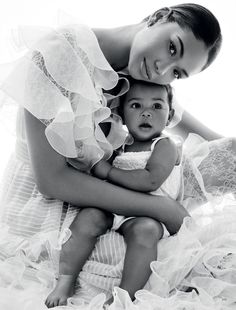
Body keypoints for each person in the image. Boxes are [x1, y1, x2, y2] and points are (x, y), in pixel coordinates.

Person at [0, 2, 234, 309]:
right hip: (55, 208)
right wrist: (163, 208)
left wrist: (223, 144)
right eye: (172, 48)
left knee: (231, 158)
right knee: (167, 249)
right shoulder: (59, 54)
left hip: (112, 187)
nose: (162, 69)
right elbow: (51, 182)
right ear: (159, 17)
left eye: (176, 72)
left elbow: (169, 111)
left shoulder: (138, 66)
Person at [45, 78, 186, 307]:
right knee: (88, 217)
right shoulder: (119, 143)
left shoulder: (164, 145)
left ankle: (125, 295)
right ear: (121, 113)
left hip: (148, 213)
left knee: (146, 231)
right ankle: (65, 280)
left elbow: (150, 180)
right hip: (114, 207)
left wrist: (108, 171)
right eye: (136, 105)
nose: (146, 113)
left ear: (169, 116)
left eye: (157, 106)